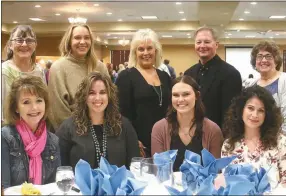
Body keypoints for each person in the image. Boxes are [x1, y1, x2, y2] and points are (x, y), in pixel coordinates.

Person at [56, 72, 140, 169]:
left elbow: (135, 164)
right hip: (79, 184)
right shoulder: (68, 127)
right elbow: (61, 168)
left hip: (118, 184)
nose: (97, 98)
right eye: (91, 93)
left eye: (102, 92)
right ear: (84, 97)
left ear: (109, 96)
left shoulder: (124, 125)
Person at [116, 28, 171, 157]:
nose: (146, 53)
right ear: (135, 52)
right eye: (141, 49)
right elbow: (120, 113)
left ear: (155, 50)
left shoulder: (164, 76)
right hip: (139, 143)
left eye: (149, 48)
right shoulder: (126, 76)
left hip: (165, 140)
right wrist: (133, 140)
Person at [152, 76, 223, 171]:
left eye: (186, 94)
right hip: (168, 184)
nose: (180, 99)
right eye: (176, 95)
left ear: (197, 96)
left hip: (202, 185)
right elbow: (158, 169)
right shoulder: (159, 128)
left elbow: (215, 171)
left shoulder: (213, 129)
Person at [1, 76, 60, 188]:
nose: (34, 107)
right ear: (16, 108)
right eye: (26, 102)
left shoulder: (53, 141)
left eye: (39, 100)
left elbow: (55, 187)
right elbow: (3, 187)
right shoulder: (4, 137)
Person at [221, 86, 286, 188]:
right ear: (241, 109)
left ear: (267, 115)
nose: (255, 115)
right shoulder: (229, 145)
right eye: (250, 108)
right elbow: (227, 184)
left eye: (261, 110)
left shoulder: (280, 141)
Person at [48, 23, 109, 130]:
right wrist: (79, 133)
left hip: (101, 129)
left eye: (87, 38)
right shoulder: (58, 68)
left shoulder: (100, 67)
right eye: (77, 38)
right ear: (69, 41)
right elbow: (58, 111)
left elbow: (110, 99)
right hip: (72, 132)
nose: (82, 42)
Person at [184, 26, 242, 130]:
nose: (202, 46)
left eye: (207, 42)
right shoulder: (189, 73)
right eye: (198, 42)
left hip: (217, 134)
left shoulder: (231, 73)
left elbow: (231, 114)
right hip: (189, 133)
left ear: (216, 45)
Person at [2, 25, 46, 120]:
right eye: (19, 40)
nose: (24, 44)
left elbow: (44, 99)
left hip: (36, 125)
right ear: (10, 45)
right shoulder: (3, 71)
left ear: (35, 45)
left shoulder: (39, 70)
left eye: (29, 41)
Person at [245, 41, 286, 133]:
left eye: (268, 56)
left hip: (278, 139)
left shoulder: (284, 80)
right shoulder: (252, 84)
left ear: (276, 61)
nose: (263, 60)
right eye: (259, 56)